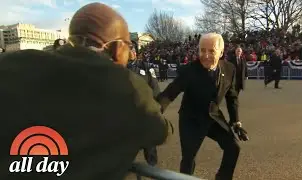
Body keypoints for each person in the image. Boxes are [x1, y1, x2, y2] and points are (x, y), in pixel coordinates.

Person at [0, 3, 173, 180]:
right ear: (117, 47)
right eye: (128, 46)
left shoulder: (10, 65)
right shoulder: (129, 86)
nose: (130, 54)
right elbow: (160, 131)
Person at [156, 33, 248, 180]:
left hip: (213, 116)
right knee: (188, 158)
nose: (205, 55)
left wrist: (236, 121)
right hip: (191, 119)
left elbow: (232, 97)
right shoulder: (189, 70)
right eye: (202, 50)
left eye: (211, 51)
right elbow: (170, 93)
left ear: (221, 52)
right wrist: (153, 111)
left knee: (233, 148)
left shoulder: (230, 69)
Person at [127, 49, 160, 166]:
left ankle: (152, 167)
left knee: (149, 144)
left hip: (145, 111)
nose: (132, 52)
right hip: (127, 113)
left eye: (133, 50)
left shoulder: (146, 67)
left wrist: (155, 108)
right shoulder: (119, 67)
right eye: (128, 49)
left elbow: (155, 88)